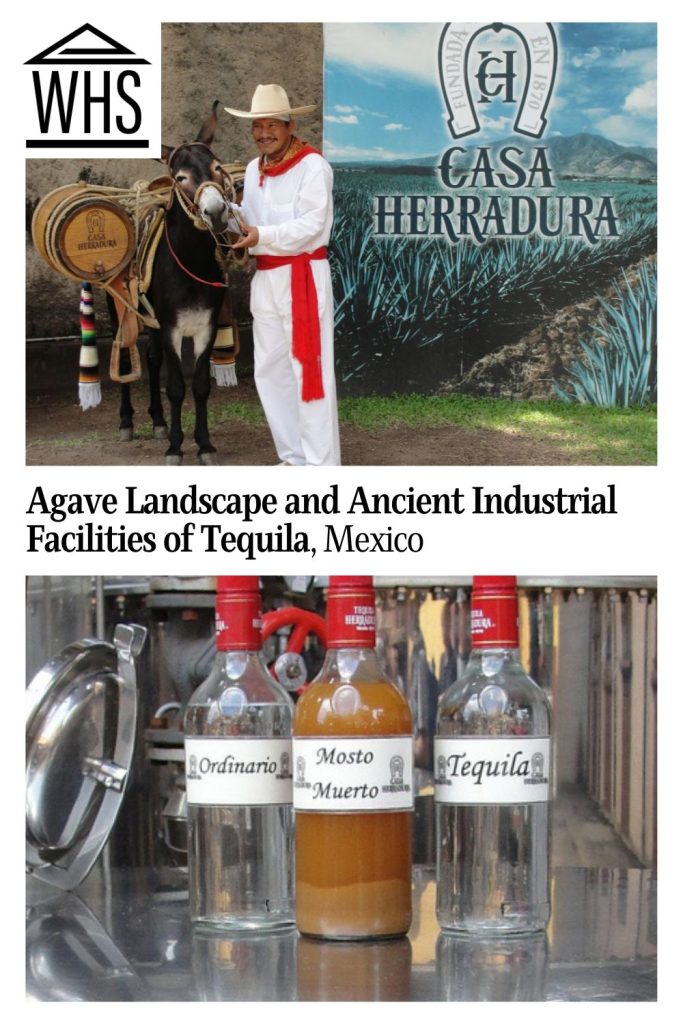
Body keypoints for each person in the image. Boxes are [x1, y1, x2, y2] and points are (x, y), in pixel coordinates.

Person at [225, 84, 341, 466]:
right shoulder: (256, 168)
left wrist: (262, 236)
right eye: (257, 126)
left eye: (272, 125)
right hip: (267, 280)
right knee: (270, 371)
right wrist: (229, 218)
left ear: (290, 125)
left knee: (310, 373)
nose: (263, 133)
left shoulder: (312, 166)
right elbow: (250, 219)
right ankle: (293, 458)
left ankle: (321, 469)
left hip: (301, 277)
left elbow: (312, 225)